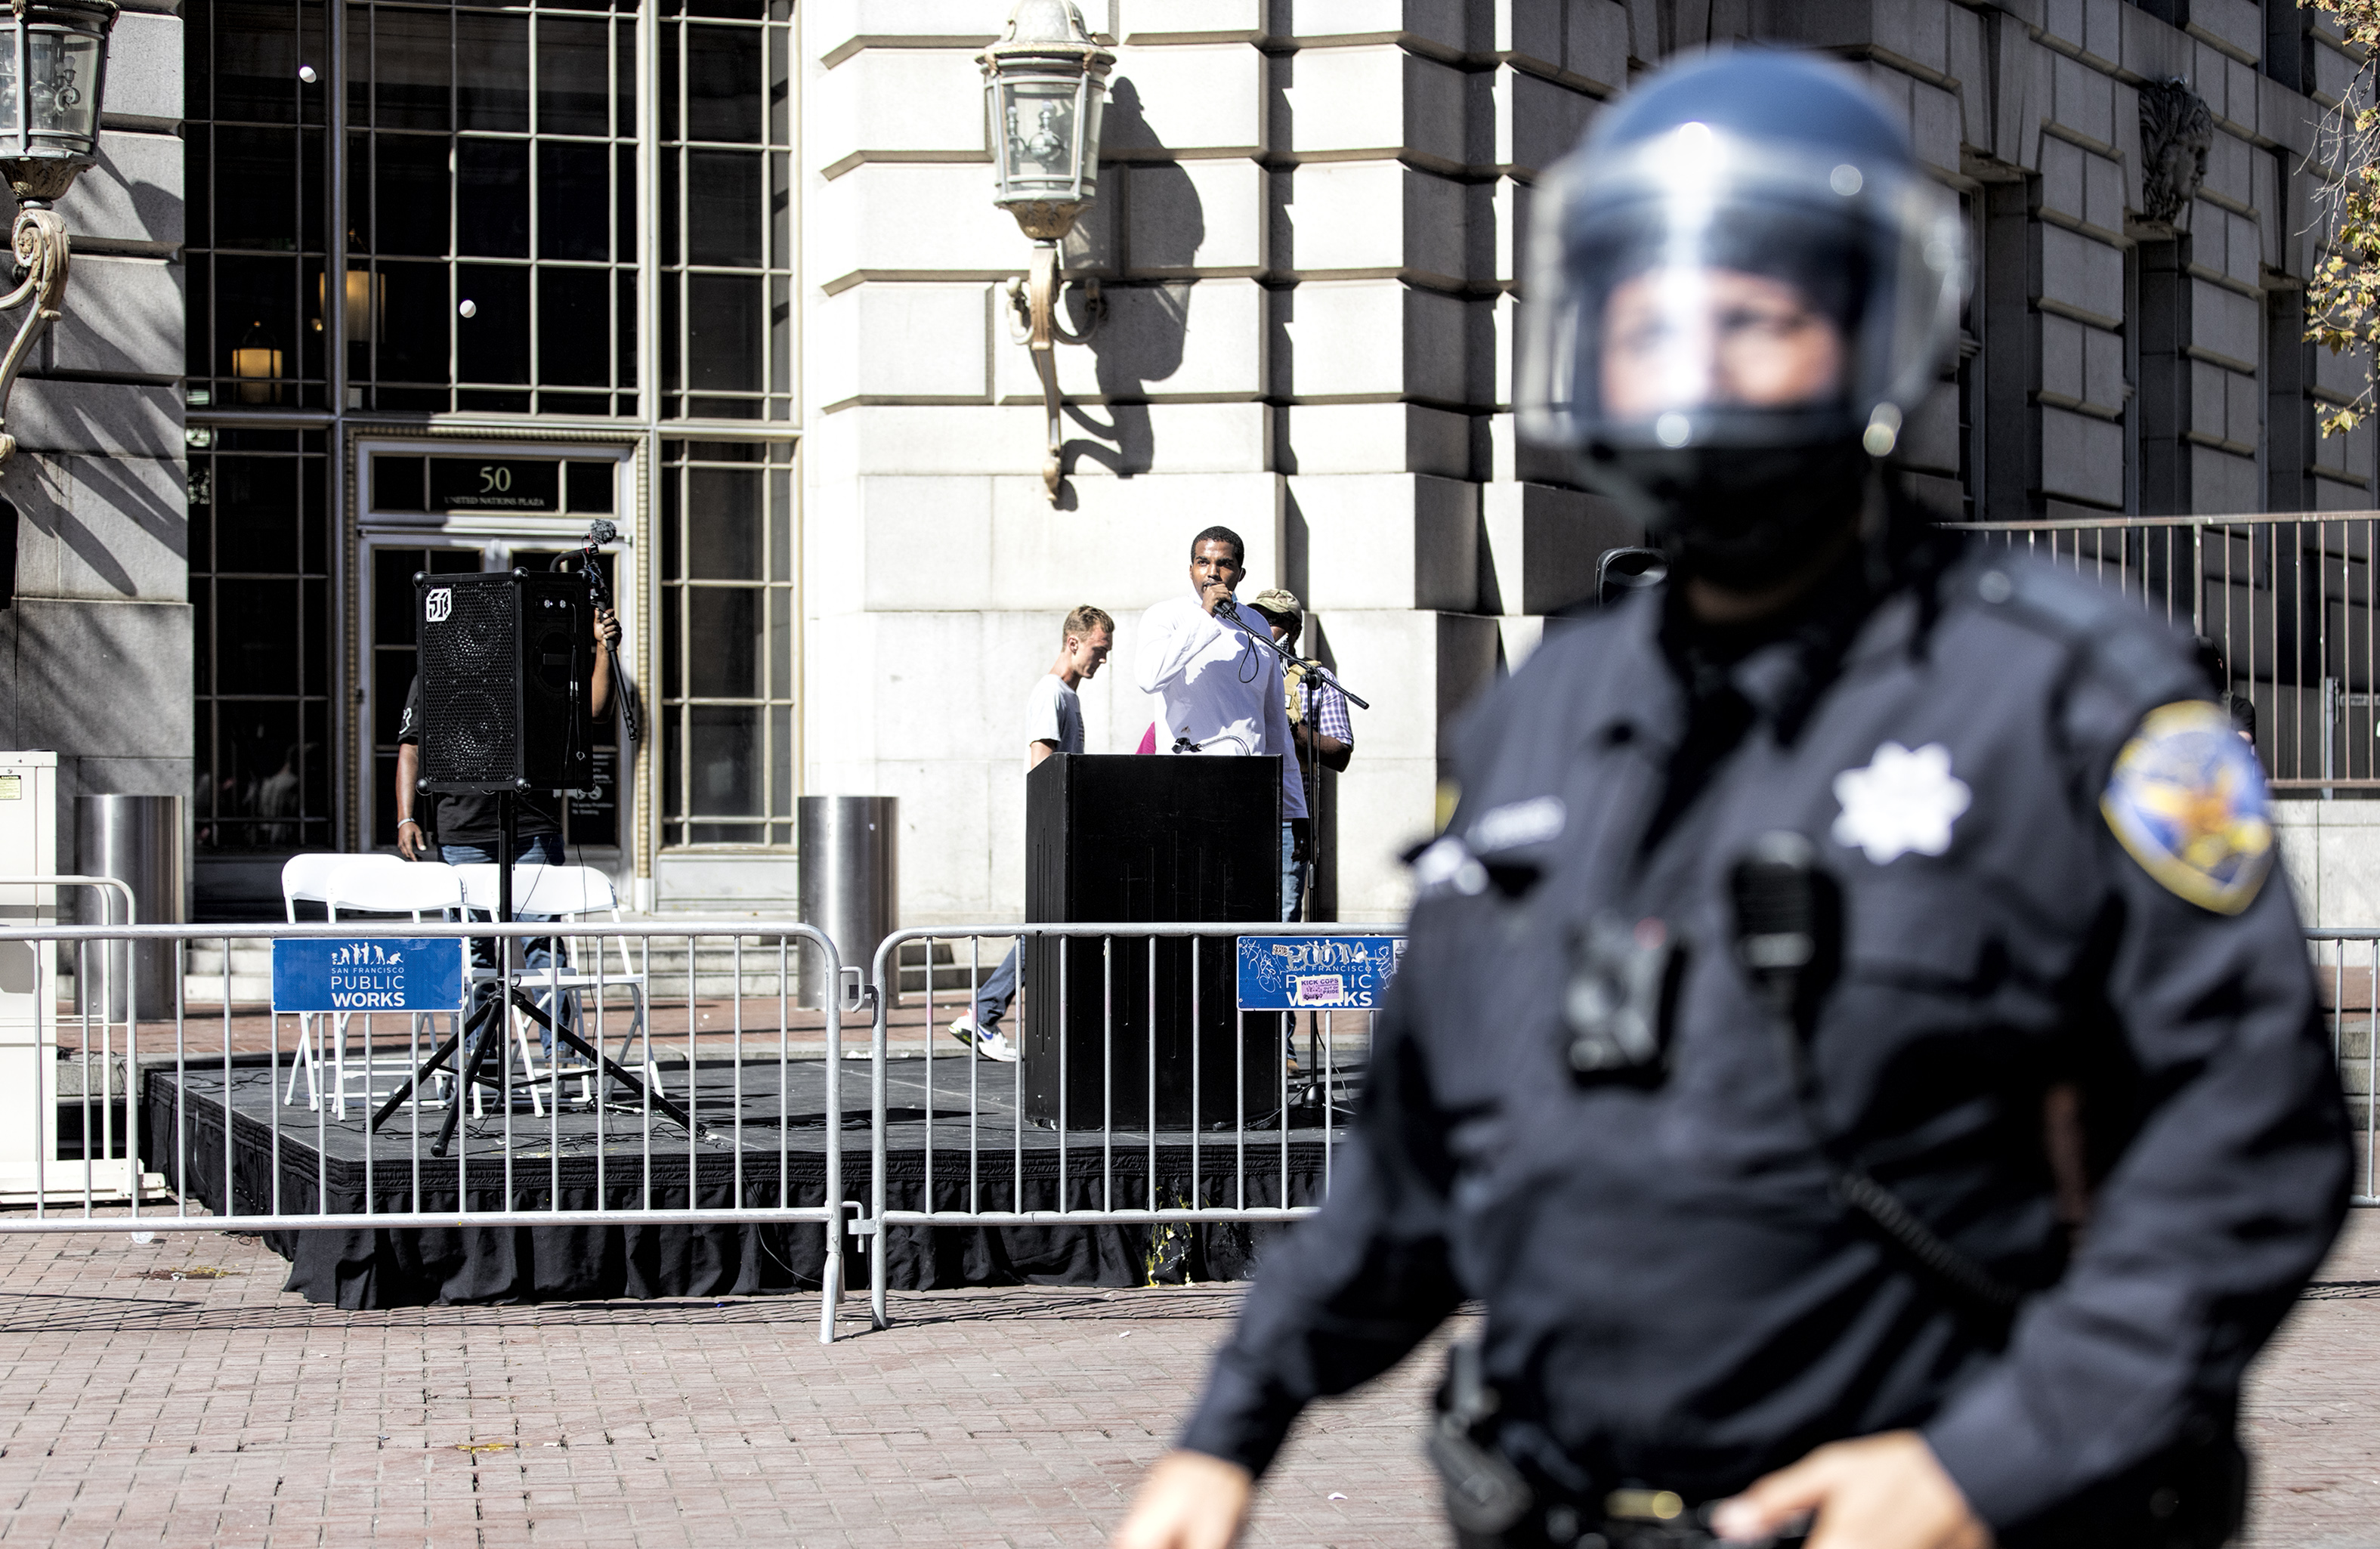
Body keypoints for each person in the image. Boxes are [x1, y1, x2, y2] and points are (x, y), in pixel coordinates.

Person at [1117, 49, 2349, 1549]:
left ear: (1874, 328)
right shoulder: (1540, 720)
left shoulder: (2066, 697)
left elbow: (2252, 1139)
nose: (1694, 366)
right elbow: (1417, 1152)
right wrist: (1232, 1425)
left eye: (1753, 319)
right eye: (1651, 322)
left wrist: (1988, 1463)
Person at [395, 604, 622, 1059]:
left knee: (543, 945)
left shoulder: (530, 671)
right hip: (462, 830)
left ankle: (559, 1058)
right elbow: (411, 748)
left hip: (531, 828)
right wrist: (406, 816)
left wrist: (602, 649)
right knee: (474, 952)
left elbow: (595, 711)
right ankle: (480, 1059)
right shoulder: (436, 676)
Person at [948, 604, 1116, 1062]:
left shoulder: (1067, 696)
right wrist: (1063, 834)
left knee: (1053, 930)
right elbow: (1044, 771)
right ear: (1073, 643)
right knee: (1046, 929)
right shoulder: (1051, 694)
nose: (1103, 659)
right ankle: (983, 1014)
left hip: (1066, 832)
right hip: (1059, 833)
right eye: (1098, 649)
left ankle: (992, 1015)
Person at [1134, 527, 1309, 921]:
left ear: (1240, 574)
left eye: (1224, 564)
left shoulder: (1257, 626)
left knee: (1244, 906)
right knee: (1190, 904)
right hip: (1185, 785)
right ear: (1191, 570)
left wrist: (1296, 810)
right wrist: (1205, 615)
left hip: (1249, 791)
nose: (1212, 572)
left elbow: (1274, 726)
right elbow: (1149, 677)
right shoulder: (1166, 616)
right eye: (1203, 562)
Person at [1247, 588, 1352, 923]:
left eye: (1273, 620)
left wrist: (1291, 728)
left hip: (1290, 818)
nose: (1261, 625)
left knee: (1283, 915)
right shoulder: (1239, 672)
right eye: (1256, 616)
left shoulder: (1316, 681)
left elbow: (1340, 752)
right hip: (1242, 809)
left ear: (1294, 630)